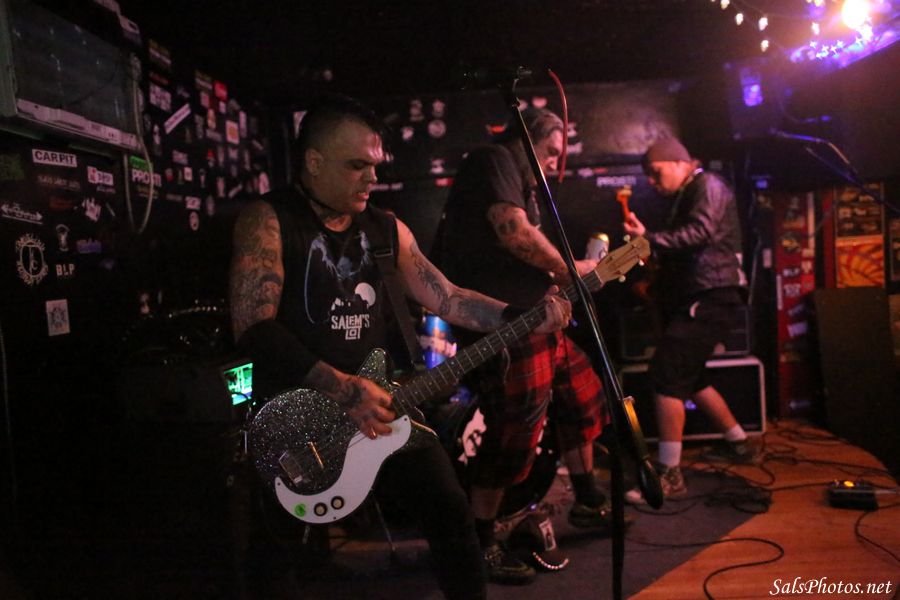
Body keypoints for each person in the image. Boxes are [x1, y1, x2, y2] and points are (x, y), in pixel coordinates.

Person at [228, 94, 573, 600]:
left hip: (385, 408)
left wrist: (523, 317)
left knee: (450, 510)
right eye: (356, 165)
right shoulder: (269, 219)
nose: (372, 177)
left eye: (375, 165)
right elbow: (253, 327)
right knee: (274, 554)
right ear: (314, 161)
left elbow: (450, 298)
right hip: (299, 416)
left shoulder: (385, 229)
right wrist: (343, 388)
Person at [435, 107, 616, 585]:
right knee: (515, 430)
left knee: (582, 394)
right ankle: (481, 540)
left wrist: (555, 283)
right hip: (503, 324)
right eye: (550, 152)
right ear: (526, 139)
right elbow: (512, 231)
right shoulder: (495, 159)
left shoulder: (522, 182)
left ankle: (587, 499)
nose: (554, 163)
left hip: (536, 318)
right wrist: (568, 270)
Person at [621, 137, 758, 505]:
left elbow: (700, 233)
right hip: (706, 295)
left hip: (710, 295)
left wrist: (648, 239)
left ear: (679, 161)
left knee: (666, 374)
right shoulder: (689, 193)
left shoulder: (707, 184)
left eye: (656, 172)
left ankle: (670, 475)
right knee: (690, 376)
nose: (653, 182)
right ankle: (740, 444)